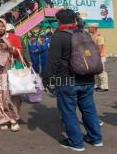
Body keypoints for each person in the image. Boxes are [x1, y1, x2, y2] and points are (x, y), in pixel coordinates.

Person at [44, 9, 102, 151]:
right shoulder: (84, 33)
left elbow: (53, 61)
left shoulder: (60, 36)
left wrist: (46, 79)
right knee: (89, 110)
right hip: (88, 78)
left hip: (66, 80)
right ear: (74, 20)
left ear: (59, 21)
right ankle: (96, 139)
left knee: (68, 111)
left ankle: (76, 143)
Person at [0, 18, 21, 132]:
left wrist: (9, 48)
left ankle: (13, 119)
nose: (0, 28)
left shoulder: (12, 37)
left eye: (2, 26)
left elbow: (20, 52)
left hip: (9, 70)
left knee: (10, 95)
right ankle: (2, 119)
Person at [87, 23, 109, 92]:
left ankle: (104, 86)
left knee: (101, 72)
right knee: (95, 72)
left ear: (94, 28)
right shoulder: (91, 36)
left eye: (89, 27)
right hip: (93, 57)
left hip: (99, 57)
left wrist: (96, 56)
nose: (88, 29)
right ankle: (97, 86)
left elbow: (100, 48)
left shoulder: (99, 37)